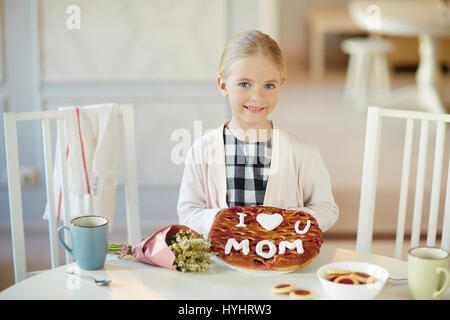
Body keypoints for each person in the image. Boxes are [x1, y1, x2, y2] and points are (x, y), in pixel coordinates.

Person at [177, 29, 338, 237]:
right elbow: (188, 212)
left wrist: (285, 221)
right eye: (245, 84)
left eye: (269, 85)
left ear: (281, 85)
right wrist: (228, 221)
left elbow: (327, 209)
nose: (257, 96)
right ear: (223, 85)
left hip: (282, 267)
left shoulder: (303, 153)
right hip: (221, 266)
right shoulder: (201, 150)